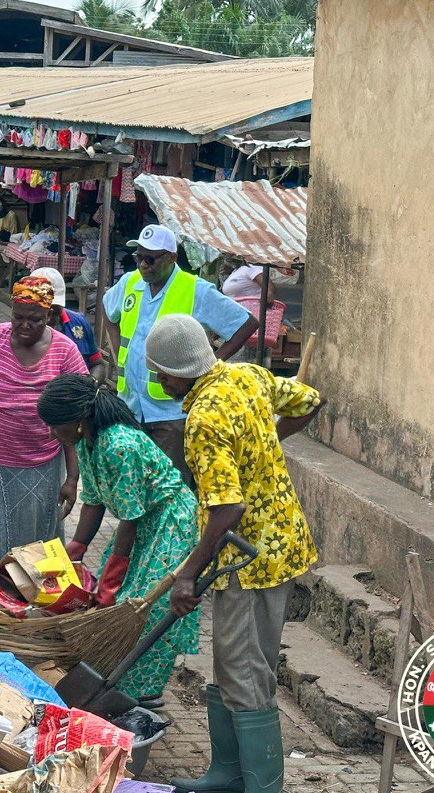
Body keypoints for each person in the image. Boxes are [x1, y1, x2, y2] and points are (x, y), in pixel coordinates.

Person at [146, 313, 323, 793]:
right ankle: (228, 774)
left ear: (182, 370)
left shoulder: (202, 419)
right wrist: (268, 440)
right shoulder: (247, 375)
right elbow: (309, 400)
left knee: (243, 671)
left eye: (162, 373)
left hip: (252, 558)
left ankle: (261, 785)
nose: (160, 382)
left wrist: (188, 575)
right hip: (279, 544)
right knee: (238, 665)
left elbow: (227, 508)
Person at [37, 375, 198, 701]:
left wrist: (111, 578)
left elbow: (130, 517)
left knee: (144, 606)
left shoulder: (119, 446)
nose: (53, 433)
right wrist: (77, 549)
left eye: (56, 425)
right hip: (140, 521)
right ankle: (117, 681)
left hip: (169, 519)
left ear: (79, 418)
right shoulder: (86, 443)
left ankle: (141, 693)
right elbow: (94, 501)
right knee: (118, 600)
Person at [0, 276, 89, 584]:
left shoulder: (65, 352)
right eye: (18, 317)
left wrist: (72, 477)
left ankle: (26, 610)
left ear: (50, 316)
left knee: (33, 546)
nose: (24, 325)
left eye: (35, 319)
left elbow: (75, 420)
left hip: (40, 468)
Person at [103, 224, 258, 488]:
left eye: (150, 259)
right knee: (132, 487)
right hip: (130, 406)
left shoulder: (195, 289)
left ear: (171, 258)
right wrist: (118, 351)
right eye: (138, 257)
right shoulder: (130, 282)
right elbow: (109, 312)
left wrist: (209, 367)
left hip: (170, 413)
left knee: (169, 488)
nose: (143, 265)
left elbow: (245, 324)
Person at [31, 267, 106, 383]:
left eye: (55, 308)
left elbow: (97, 364)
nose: (50, 315)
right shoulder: (22, 331)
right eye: (44, 307)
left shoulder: (78, 322)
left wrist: (91, 384)